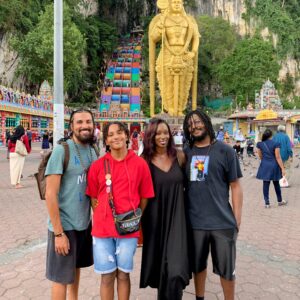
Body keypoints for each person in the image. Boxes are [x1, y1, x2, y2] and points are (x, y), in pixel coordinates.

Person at [86, 121, 154, 300]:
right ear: (106, 140)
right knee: (107, 277)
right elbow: (93, 197)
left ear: (127, 136)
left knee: (124, 274)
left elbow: (145, 196)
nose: (115, 137)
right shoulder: (97, 166)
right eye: (111, 134)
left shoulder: (140, 164)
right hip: (102, 231)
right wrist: (104, 216)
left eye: (119, 133)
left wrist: (134, 217)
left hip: (128, 230)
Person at [183, 110, 243, 300]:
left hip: (222, 223)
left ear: (207, 123)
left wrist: (237, 220)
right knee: (198, 266)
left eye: (198, 122)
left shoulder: (225, 151)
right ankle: (199, 297)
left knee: (227, 270)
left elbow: (235, 186)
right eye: (191, 124)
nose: (195, 126)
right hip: (195, 223)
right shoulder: (185, 153)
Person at [45, 109, 98, 300]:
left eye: (88, 122)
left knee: (75, 271)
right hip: (64, 226)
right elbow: (50, 194)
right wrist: (59, 233)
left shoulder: (93, 150)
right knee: (61, 278)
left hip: (83, 225)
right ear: (71, 126)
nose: (85, 126)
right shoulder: (62, 150)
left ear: (94, 124)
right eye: (79, 122)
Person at [140, 118, 190, 300]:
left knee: (176, 270)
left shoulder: (180, 156)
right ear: (150, 136)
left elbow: (191, 186)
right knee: (161, 269)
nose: (163, 136)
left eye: (165, 132)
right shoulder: (143, 161)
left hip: (178, 217)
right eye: (158, 133)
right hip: (154, 220)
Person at [149, 0, 200, 116]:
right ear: (169, 4)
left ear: (182, 4)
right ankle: (170, 108)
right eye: (174, 2)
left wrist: (193, 52)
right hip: (167, 53)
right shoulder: (163, 19)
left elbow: (196, 38)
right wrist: (160, 30)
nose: (176, 4)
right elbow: (153, 37)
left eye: (179, 2)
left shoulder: (189, 21)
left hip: (184, 53)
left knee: (184, 83)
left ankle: (180, 109)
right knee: (167, 83)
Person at [256, 129, 287, 208]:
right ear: (271, 136)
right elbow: (278, 157)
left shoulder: (260, 144)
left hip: (265, 165)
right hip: (274, 166)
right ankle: (279, 201)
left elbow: (260, 155)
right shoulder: (276, 143)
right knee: (276, 183)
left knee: (265, 184)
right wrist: (282, 168)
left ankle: (267, 203)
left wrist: (265, 160)